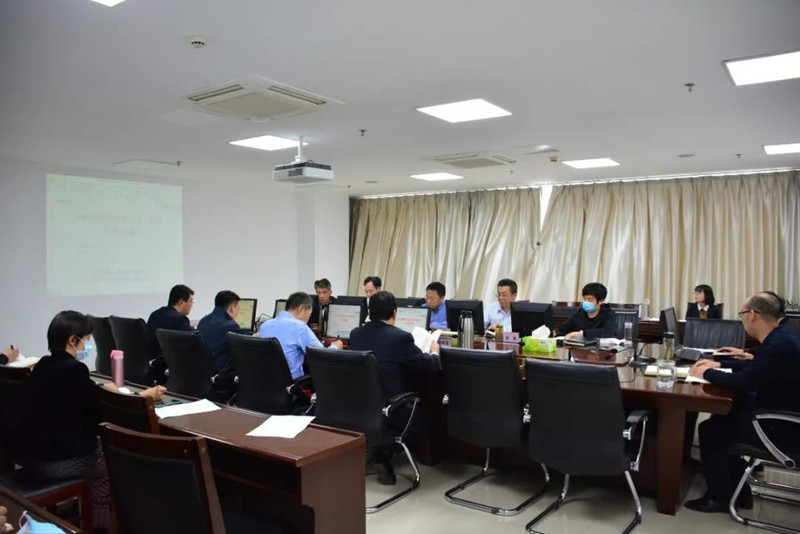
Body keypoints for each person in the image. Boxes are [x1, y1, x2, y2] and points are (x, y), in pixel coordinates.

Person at [21, 311, 165, 530]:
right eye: (86, 340)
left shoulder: (43, 365)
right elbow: (99, 413)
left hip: (33, 456)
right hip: (56, 463)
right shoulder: (74, 369)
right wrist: (142, 397)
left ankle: (82, 507)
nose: (87, 346)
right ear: (73, 340)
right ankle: (101, 523)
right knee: (114, 458)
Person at [685, 293, 800, 513]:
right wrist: (722, 364)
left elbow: (744, 382)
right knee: (726, 417)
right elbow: (759, 364)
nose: (742, 319)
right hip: (780, 414)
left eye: (742, 314)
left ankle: (720, 498)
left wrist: (706, 372)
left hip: (783, 428)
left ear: (753, 315)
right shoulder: (783, 334)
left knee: (712, 430)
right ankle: (741, 494)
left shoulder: (779, 345)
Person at [349, 292, 440, 485]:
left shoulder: (356, 334)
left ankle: (380, 450)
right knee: (432, 410)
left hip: (361, 409)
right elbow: (430, 367)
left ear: (369, 313)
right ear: (394, 313)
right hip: (392, 410)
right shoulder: (400, 338)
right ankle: (385, 451)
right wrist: (434, 352)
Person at [259, 292, 343, 380]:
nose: (308, 319)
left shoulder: (265, 325)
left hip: (266, 381)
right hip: (292, 383)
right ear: (301, 309)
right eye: (309, 314)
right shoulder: (300, 327)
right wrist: (335, 347)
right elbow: (321, 357)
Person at [196, 290, 251, 373]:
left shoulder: (203, 321)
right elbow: (249, 342)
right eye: (237, 307)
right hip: (223, 373)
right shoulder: (229, 325)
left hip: (204, 372)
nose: (239, 311)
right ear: (232, 308)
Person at [147, 284, 195, 355]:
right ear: (181, 302)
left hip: (153, 357)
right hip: (168, 359)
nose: (192, 305)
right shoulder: (179, 319)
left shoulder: (155, 314)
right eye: (190, 301)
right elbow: (194, 339)